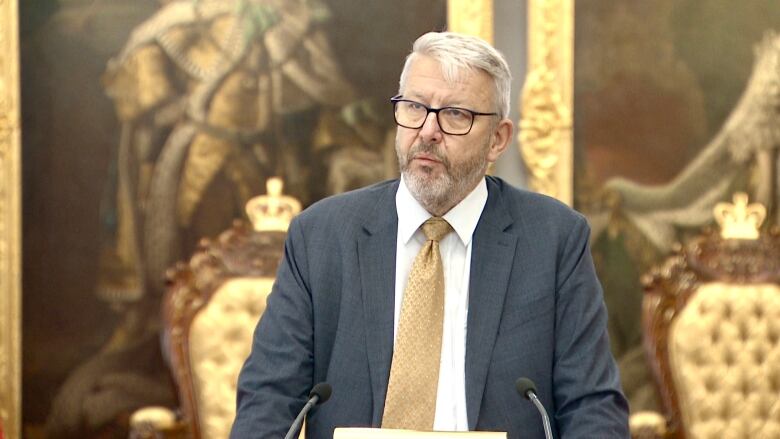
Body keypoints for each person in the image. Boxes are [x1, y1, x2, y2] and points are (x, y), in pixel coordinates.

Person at [230, 31, 629, 438]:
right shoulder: (321, 236)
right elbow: (270, 399)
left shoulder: (553, 239)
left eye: (456, 114)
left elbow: (592, 406)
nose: (427, 130)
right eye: (414, 107)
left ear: (498, 139)